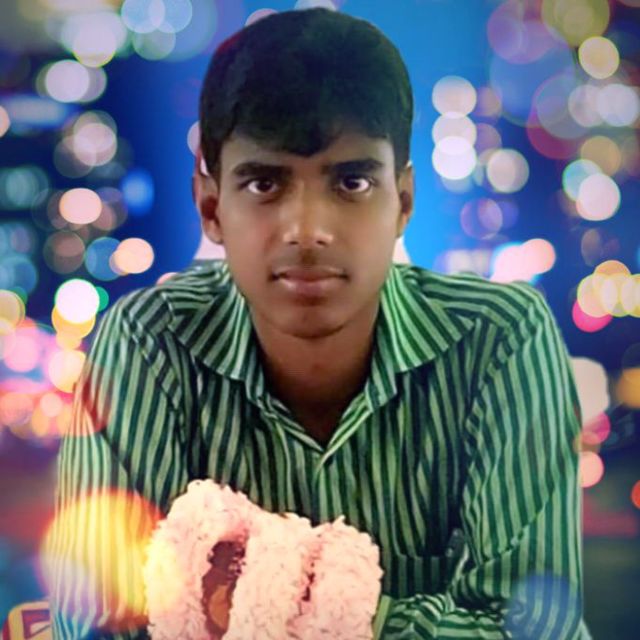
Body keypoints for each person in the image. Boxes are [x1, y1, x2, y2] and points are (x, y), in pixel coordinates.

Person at [46, 7, 591, 639]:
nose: (308, 231)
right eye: (264, 184)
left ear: (403, 202)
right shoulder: (149, 343)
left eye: (351, 181)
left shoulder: (498, 338)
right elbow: (95, 624)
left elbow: (535, 628)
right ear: (211, 207)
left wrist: (271, 606)